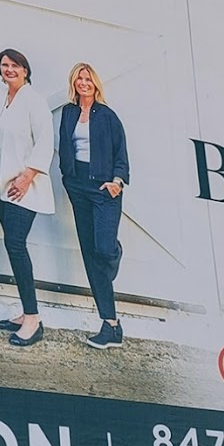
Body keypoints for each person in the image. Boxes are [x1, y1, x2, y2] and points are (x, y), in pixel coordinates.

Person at [0, 47, 55, 347]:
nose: (8, 69)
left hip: (24, 186)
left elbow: (45, 143)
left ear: (25, 69)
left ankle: (33, 319)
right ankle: (26, 312)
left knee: (15, 244)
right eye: (3, 65)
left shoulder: (34, 101)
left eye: (14, 65)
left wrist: (27, 177)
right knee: (12, 246)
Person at [59, 62, 130, 348]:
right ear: (74, 83)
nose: (83, 83)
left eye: (88, 79)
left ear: (95, 83)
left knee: (103, 249)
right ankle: (110, 324)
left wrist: (117, 181)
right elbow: (66, 145)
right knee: (90, 254)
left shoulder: (108, 116)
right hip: (78, 186)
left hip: (104, 189)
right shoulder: (68, 112)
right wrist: (67, 177)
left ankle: (115, 252)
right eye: (79, 78)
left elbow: (121, 153)